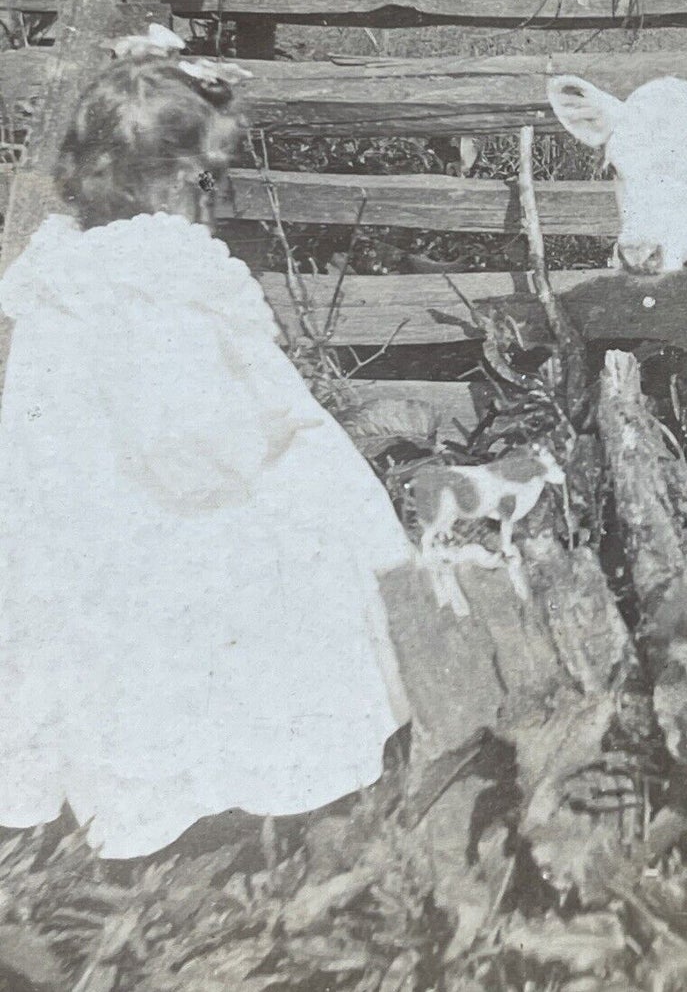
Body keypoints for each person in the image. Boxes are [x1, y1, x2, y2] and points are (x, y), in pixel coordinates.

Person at [0, 51, 413, 859]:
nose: (209, 204)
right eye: (207, 184)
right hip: (174, 500)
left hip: (79, 514)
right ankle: (256, 784)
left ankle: (108, 791)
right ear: (170, 185)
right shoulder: (166, 275)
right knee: (281, 553)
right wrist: (275, 439)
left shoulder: (60, 268)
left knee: (98, 634)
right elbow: (188, 434)